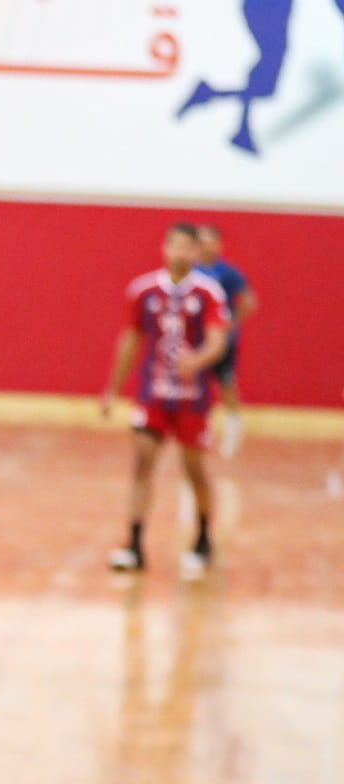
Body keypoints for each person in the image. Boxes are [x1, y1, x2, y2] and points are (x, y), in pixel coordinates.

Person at [101, 223, 230, 580]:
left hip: (193, 399)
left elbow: (218, 340)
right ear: (164, 248)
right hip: (153, 394)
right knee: (142, 462)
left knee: (194, 470)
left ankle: (202, 538)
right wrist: (113, 389)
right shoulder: (143, 291)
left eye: (188, 247)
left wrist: (197, 360)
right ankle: (134, 543)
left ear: (196, 252)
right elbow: (131, 339)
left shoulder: (208, 293)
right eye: (175, 245)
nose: (180, 253)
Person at [195, 224, 259, 458]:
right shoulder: (192, 272)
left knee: (226, 383)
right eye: (201, 241)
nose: (205, 246)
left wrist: (231, 324)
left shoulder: (228, 273)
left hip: (224, 341)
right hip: (197, 340)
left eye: (209, 241)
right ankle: (200, 428)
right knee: (196, 385)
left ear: (218, 245)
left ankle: (233, 428)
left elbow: (249, 301)